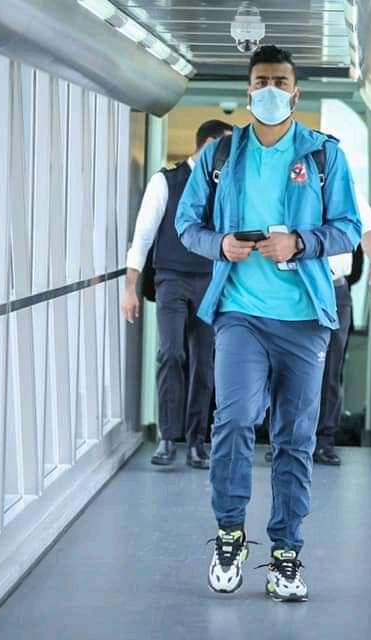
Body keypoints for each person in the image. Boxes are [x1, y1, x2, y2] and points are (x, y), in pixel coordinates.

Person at [176, 45, 362, 602]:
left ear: (296, 93)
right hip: (239, 313)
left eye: (280, 82)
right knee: (233, 421)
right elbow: (187, 223)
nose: (271, 90)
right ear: (248, 90)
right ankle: (230, 534)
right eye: (262, 81)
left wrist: (300, 242)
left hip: (305, 319)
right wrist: (220, 244)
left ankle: (286, 553)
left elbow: (349, 227)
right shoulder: (222, 155)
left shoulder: (324, 155)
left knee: (294, 439)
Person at [121, 120, 233, 469]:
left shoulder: (227, 184)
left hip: (211, 280)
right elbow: (143, 235)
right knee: (171, 352)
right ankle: (168, 437)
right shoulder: (166, 180)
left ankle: (197, 441)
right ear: (209, 144)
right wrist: (130, 287)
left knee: (205, 362)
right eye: (226, 147)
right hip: (171, 278)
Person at [266, 190, 371, 466]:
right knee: (287, 368)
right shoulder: (283, 187)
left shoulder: (344, 189)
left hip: (334, 290)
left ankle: (323, 441)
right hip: (293, 288)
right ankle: (284, 440)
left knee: (331, 368)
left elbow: (368, 231)